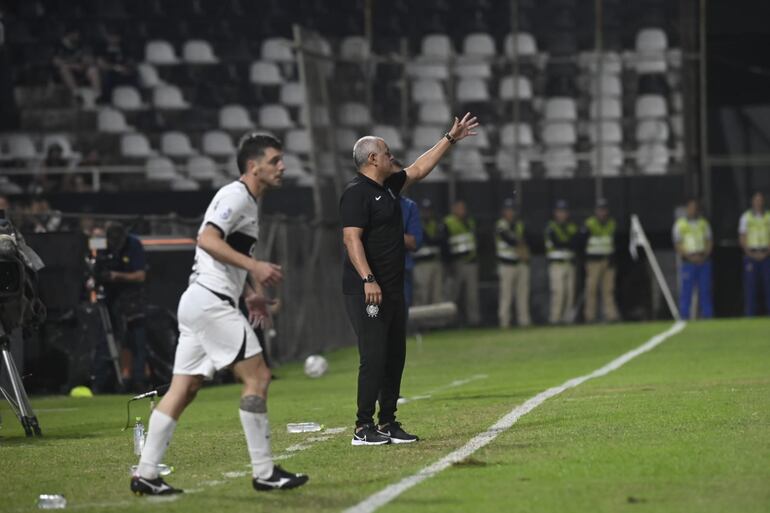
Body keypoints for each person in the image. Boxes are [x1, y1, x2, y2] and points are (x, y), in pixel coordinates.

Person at [131, 133, 308, 495]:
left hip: (200, 300)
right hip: (210, 302)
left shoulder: (248, 202)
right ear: (253, 166)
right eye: (274, 160)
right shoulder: (235, 196)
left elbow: (223, 255)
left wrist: (250, 293)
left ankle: (146, 473)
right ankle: (264, 473)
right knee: (258, 377)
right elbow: (207, 239)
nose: (282, 166)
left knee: (184, 389)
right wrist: (255, 267)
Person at [340, 112, 479, 446]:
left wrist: (449, 139)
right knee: (373, 356)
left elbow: (418, 168)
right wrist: (368, 279)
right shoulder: (356, 193)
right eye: (386, 153)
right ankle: (362, 427)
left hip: (392, 288)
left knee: (394, 355)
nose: (391, 157)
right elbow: (351, 239)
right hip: (367, 289)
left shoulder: (389, 187)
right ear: (372, 159)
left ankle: (387, 421)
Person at [95, 222, 149, 393]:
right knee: (111, 339)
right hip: (111, 297)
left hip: (132, 297)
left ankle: (139, 379)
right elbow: (94, 265)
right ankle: (107, 380)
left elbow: (140, 275)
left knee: (137, 338)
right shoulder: (100, 244)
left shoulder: (134, 244)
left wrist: (116, 275)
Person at [672, 198, 713, 319]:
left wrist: (704, 256)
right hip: (688, 262)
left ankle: (707, 316)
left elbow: (709, 241)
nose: (693, 210)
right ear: (687, 209)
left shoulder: (704, 223)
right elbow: (678, 244)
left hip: (703, 261)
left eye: (695, 208)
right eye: (690, 208)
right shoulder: (680, 225)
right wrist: (689, 257)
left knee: (705, 290)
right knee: (686, 291)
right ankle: (684, 316)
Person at [581, 198, 620, 323]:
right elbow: (581, 244)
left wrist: (613, 259)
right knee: (591, 290)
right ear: (596, 211)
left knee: (608, 290)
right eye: (600, 210)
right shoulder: (589, 224)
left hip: (607, 261)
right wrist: (584, 260)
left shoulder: (612, 223)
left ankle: (611, 315)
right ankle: (590, 316)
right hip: (593, 262)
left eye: (604, 210)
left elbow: (615, 243)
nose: (602, 212)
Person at [444, 200, 481, 325]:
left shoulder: (470, 222)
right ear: (454, 209)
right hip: (456, 262)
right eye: (459, 208)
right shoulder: (448, 222)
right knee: (454, 294)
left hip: (471, 262)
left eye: (463, 208)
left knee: (472, 295)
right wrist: (449, 263)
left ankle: (473, 321)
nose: (462, 211)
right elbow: (445, 244)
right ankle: (450, 321)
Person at [495, 198, 531, 328]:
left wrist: (521, 243)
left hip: (520, 264)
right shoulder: (501, 225)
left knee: (523, 295)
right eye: (508, 210)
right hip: (506, 265)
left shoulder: (519, 224)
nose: (510, 212)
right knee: (506, 295)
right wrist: (520, 242)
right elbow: (510, 240)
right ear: (503, 211)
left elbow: (529, 239)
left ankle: (524, 321)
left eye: (512, 210)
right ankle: (504, 322)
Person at [545, 200, 579, 324]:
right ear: (555, 213)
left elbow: (576, 242)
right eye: (559, 211)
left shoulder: (572, 226)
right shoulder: (551, 226)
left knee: (570, 293)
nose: (562, 214)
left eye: (564, 211)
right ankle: (555, 318)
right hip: (556, 264)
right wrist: (568, 243)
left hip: (569, 263)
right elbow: (557, 243)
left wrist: (568, 243)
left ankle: (567, 319)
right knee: (558, 292)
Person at [738, 191, 770, 316]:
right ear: (752, 201)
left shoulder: (768, 217)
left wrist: (766, 253)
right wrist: (751, 254)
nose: (758, 203)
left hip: (766, 256)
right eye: (756, 200)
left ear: (763, 201)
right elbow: (742, 238)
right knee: (751, 288)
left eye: (760, 200)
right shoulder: (746, 217)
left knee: (768, 287)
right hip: (751, 256)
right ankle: (750, 315)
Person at [412, 198, 445, 305]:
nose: (427, 213)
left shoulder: (437, 224)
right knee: (422, 293)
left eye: (429, 210)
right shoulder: (414, 224)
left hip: (436, 262)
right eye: (425, 210)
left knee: (437, 293)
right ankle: (420, 315)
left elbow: (439, 240)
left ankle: (436, 316)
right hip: (421, 264)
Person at [400, 195, 423, 309]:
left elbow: (415, 242)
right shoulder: (368, 201)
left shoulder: (408, 205)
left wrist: (387, 230)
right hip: (372, 271)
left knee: (402, 309)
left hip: (402, 271)